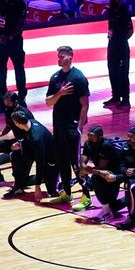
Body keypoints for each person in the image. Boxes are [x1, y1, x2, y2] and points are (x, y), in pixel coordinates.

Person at [44, 46, 90, 207]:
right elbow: (48, 102)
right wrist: (60, 93)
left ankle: (86, 196)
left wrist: (80, 127)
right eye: (58, 56)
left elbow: (85, 104)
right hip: (58, 125)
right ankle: (67, 193)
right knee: (62, 160)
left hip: (72, 126)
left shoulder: (78, 78)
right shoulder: (55, 77)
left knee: (75, 162)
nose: (59, 59)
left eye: (62, 56)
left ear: (70, 57)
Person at [1, 110, 58, 201]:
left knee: (52, 192)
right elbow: (27, 138)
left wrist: (37, 186)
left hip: (51, 160)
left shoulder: (36, 138)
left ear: (18, 124)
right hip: (40, 151)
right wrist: (20, 144)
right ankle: (18, 185)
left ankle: (52, 179)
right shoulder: (31, 122)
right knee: (16, 155)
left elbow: (40, 162)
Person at [0, 91, 34, 186]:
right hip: (16, 141)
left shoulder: (24, 113)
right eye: (5, 103)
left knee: (23, 180)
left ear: (16, 102)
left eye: (8, 103)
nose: (6, 106)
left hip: (27, 144)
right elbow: (9, 126)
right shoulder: (8, 110)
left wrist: (21, 144)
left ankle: (43, 178)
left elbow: (32, 132)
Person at [0, 0, 28, 105]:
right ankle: (1, 90)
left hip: (15, 41)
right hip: (0, 40)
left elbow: (21, 22)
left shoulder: (19, 3)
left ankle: (22, 91)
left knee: (18, 66)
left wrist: (11, 36)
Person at [81, 125, 125, 222]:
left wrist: (87, 170)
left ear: (100, 137)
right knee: (96, 179)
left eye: (92, 135)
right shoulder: (88, 143)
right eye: (88, 135)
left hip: (117, 172)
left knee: (98, 179)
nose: (89, 137)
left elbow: (102, 167)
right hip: (103, 171)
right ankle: (106, 209)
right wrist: (83, 168)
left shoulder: (106, 145)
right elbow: (83, 161)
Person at [103, 0, 133, 108]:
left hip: (121, 46)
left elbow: (130, 31)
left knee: (123, 73)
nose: (112, 1)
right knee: (112, 71)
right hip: (112, 45)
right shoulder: (111, 11)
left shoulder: (124, 12)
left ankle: (126, 99)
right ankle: (115, 96)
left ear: (119, 0)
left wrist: (121, 40)